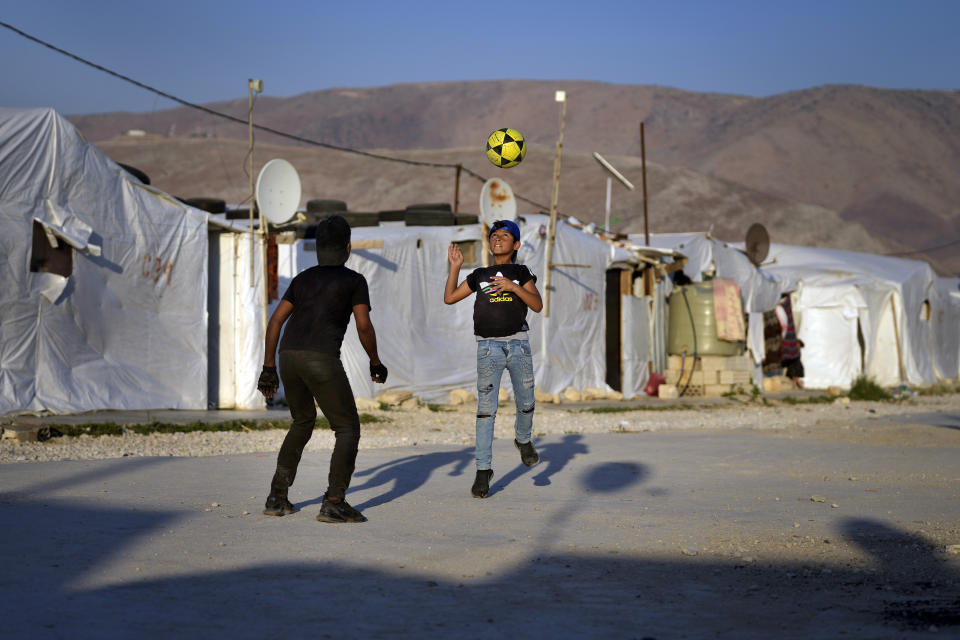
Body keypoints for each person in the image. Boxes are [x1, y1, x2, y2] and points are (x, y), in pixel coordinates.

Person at [257, 215, 388, 523]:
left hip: (288, 356)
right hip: (321, 358)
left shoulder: (302, 279)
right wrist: (375, 361)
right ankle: (334, 501)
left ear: (317, 249)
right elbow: (364, 325)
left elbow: (276, 321)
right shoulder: (354, 281)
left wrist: (268, 367)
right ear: (348, 248)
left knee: (302, 421)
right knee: (347, 429)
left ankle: (277, 497)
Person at [443, 219, 543, 498]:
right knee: (486, 410)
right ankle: (483, 471)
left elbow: (536, 304)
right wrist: (454, 268)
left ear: (517, 244)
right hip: (488, 348)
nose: (497, 239)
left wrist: (513, 287)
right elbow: (449, 297)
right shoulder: (479, 274)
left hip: (518, 345)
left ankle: (523, 440)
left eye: (505, 235)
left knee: (526, 402)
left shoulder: (521, 272)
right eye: (493, 235)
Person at [775, 293, 805, 389]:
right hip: (787, 342)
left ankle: (795, 382)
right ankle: (795, 382)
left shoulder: (785, 308)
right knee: (794, 359)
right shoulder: (784, 308)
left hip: (789, 341)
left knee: (795, 360)